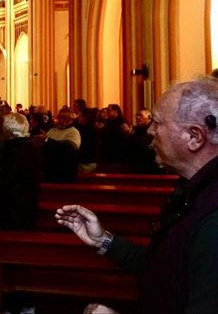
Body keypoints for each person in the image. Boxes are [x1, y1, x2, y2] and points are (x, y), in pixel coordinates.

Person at [55, 77, 218, 314]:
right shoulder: (193, 189)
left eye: (157, 122)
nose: (150, 130)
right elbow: (164, 265)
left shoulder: (212, 216)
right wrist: (103, 240)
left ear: (194, 137)